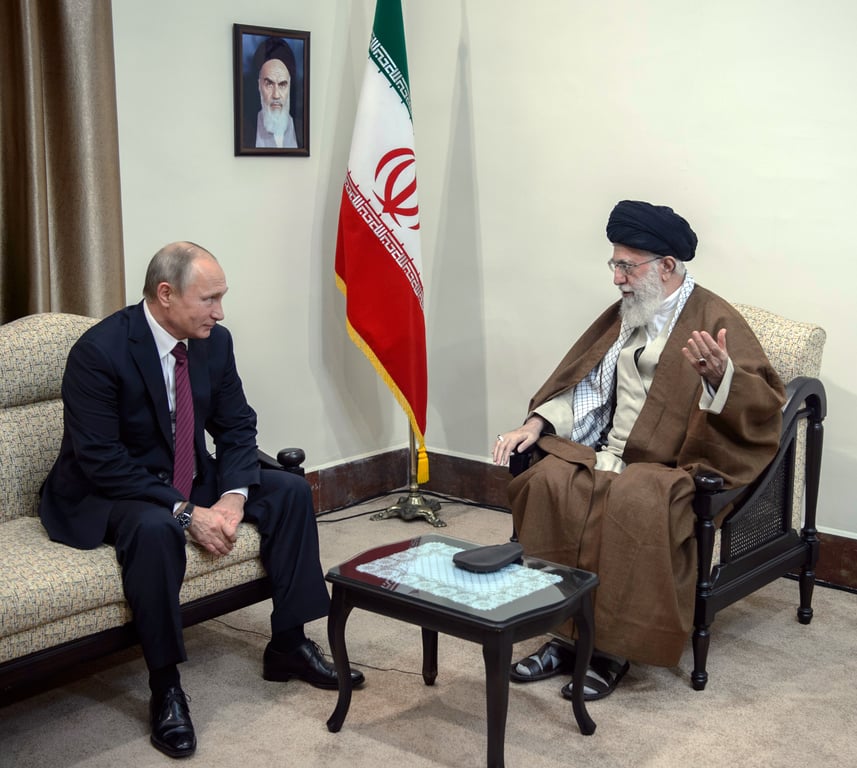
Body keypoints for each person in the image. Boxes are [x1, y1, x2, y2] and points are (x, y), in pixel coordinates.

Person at [39, 242, 363, 758]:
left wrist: (233, 496)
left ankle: (288, 643)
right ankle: (165, 686)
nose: (220, 312)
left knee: (290, 492)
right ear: (166, 294)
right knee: (155, 529)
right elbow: (101, 460)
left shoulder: (214, 343)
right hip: (110, 488)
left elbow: (236, 425)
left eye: (221, 298)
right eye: (209, 299)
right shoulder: (99, 352)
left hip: (186, 475)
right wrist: (186, 511)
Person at [493, 201, 785, 702]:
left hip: (675, 465)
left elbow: (764, 404)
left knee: (635, 503)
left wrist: (722, 378)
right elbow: (589, 383)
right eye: (615, 265)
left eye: (627, 266)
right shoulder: (629, 312)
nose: (617, 278)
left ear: (666, 266)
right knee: (548, 484)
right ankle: (562, 635)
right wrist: (536, 423)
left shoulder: (714, 317)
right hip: (611, 453)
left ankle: (611, 651)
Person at [248, 37, 300, 149]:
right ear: (259, 85)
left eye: (282, 85)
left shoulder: (302, 131)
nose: (276, 95)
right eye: (269, 84)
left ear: (290, 86)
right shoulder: (245, 132)